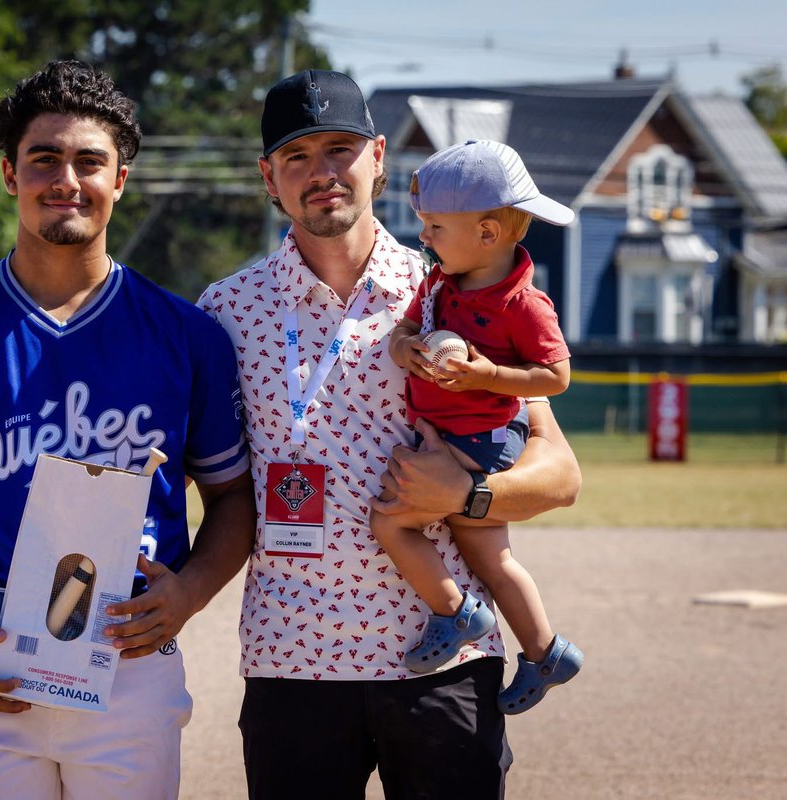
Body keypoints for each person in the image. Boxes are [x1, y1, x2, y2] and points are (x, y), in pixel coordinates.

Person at [0, 60, 255, 800]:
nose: (67, 178)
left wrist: (187, 594)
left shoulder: (189, 335)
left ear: (119, 180)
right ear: (9, 175)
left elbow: (234, 499)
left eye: (90, 161)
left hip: (128, 657)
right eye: (44, 159)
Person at [197, 69, 581, 799]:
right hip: (292, 661)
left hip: (442, 664)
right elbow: (189, 476)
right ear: (267, 177)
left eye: (339, 148)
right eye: (297, 156)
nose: (322, 173)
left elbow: (561, 475)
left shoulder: (451, 288)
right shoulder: (223, 310)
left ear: (379, 156)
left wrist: (470, 494)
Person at [368, 139, 584, 713]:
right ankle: (545, 651)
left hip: (481, 440)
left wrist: (488, 374)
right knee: (492, 556)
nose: (425, 238)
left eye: (436, 227)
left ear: (487, 234)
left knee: (392, 522)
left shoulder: (525, 304)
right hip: (450, 431)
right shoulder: (440, 281)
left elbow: (555, 377)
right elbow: (405, 331)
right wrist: (408, 350)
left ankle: (456, 613)